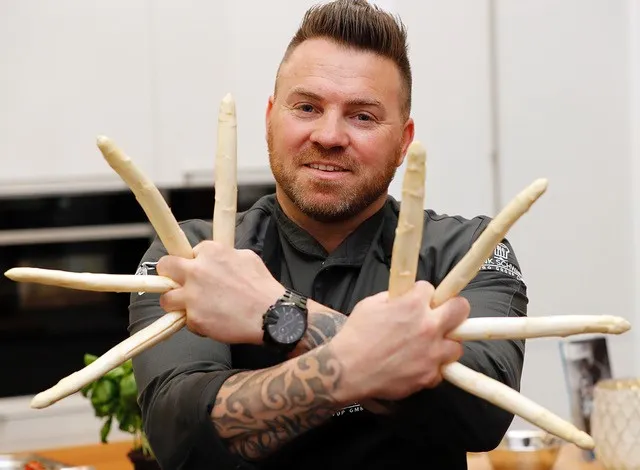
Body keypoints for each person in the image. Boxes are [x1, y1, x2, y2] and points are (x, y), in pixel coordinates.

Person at [128, 1, 528, 468]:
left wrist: (278, 313)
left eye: (362, 116)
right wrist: (358, 365)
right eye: (307, 107)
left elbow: (482, 413)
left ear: (403, 141)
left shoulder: (467, 252)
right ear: (270, 119)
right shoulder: (193, 255)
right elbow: (180, 436)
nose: (329, 135)